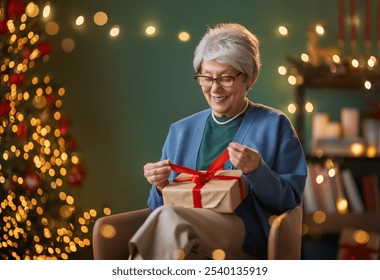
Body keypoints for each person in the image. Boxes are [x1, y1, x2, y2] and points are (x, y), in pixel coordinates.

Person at [129, 23, 307, 260]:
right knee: (169, 224)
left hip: (245, 236)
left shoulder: (275, 125)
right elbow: (155, 208)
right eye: (206, 77)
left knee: (170, 219)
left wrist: (257, 170)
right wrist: (160, 186)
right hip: (182, 238)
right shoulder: (180, 130)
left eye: (226, 78)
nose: (214, 88)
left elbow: (289, 201)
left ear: (249, 79)